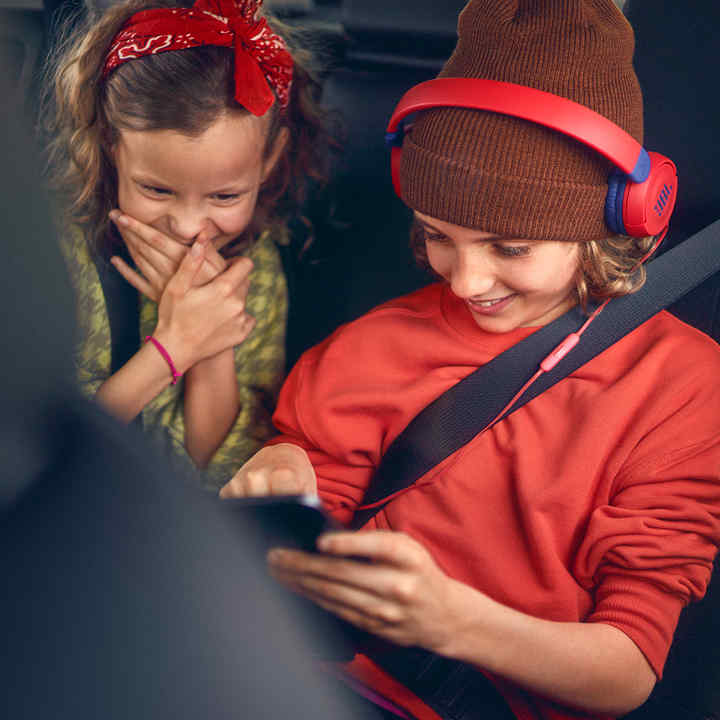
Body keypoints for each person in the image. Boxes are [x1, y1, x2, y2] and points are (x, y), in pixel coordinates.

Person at [219, 1, 720, 719]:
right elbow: (311, 517)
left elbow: (627, 673)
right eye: (436, 235)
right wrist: (287, 470)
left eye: (509, 248)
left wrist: (457, 624)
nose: (465, 281)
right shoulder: (374, 343)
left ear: (621, 216)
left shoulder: (681, 388)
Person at [42, 0, 331, 486]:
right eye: (157, 189)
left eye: (224, 195)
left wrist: (214, 342)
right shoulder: (57, 251)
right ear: (111, 147)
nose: (189, 226)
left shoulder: (254, 270)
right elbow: (47, 453)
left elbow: (211, 469)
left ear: (268, 161)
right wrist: (176, 346)